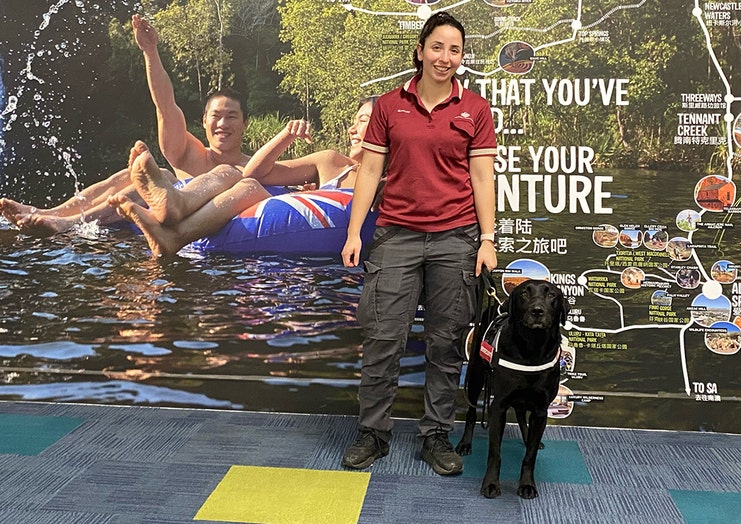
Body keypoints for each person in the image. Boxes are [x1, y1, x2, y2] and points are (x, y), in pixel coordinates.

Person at [339, 12, 497, 475]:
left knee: (446, 344)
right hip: (395, 237)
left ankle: (435, 435)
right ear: (420, 50)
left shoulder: (476, 110)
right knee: (383, 338)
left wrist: (487, 239)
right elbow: (369, 171)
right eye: (437, 47)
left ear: (462, 58)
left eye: (455, 50)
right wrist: (354, 231)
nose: (445, 58)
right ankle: (373, 432)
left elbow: (483, 177)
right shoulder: (390, 106)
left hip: (457, 239)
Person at [0, 15, 249, 234]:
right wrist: (150, 52)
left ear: (246, 124)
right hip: (151, 217)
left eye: (232, 116)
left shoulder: (254, 166)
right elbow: (165, 105)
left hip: (194, 221)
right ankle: (50, 212)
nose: (222, 123)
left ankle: (70, 223)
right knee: (129, 175)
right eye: (216, 116)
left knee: (161, 175)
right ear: (204, 121)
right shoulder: (189, 154)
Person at [108, 97, 377, 257]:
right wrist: (285, 135)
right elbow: (255, 172)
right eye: (354, 121)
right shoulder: (331, 163)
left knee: (248, 186)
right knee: (234, 173)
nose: (352, 129)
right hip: (273, 201)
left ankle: (175, 234)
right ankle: (176, 204)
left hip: (293, 219)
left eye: (363, 121)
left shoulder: (391, 183)